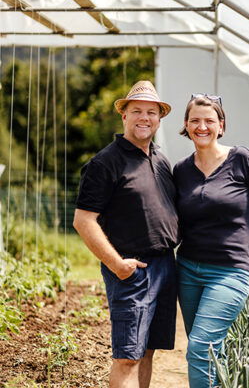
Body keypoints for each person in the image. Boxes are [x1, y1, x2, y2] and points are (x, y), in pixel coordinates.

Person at [73, 81, 179, 388]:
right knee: (128, 356)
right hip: (132, 270)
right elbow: (83, 220)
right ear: (124, 116)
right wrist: (118, 265)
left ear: (159, 119)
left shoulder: (159, 159)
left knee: (147, 350)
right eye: (137, 111)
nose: (144, 118)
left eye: (151, 112)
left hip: (164, 266)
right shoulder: (105, 163)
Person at [173, 94, 249, 387]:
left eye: (209, 121)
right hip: (188, 270)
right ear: (186, 125)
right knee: (211, 352)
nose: (202, 126)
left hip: (231, 271)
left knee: (200, 348)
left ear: (221, 126)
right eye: (195, 120)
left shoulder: (242, 160)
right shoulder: (181, 171)